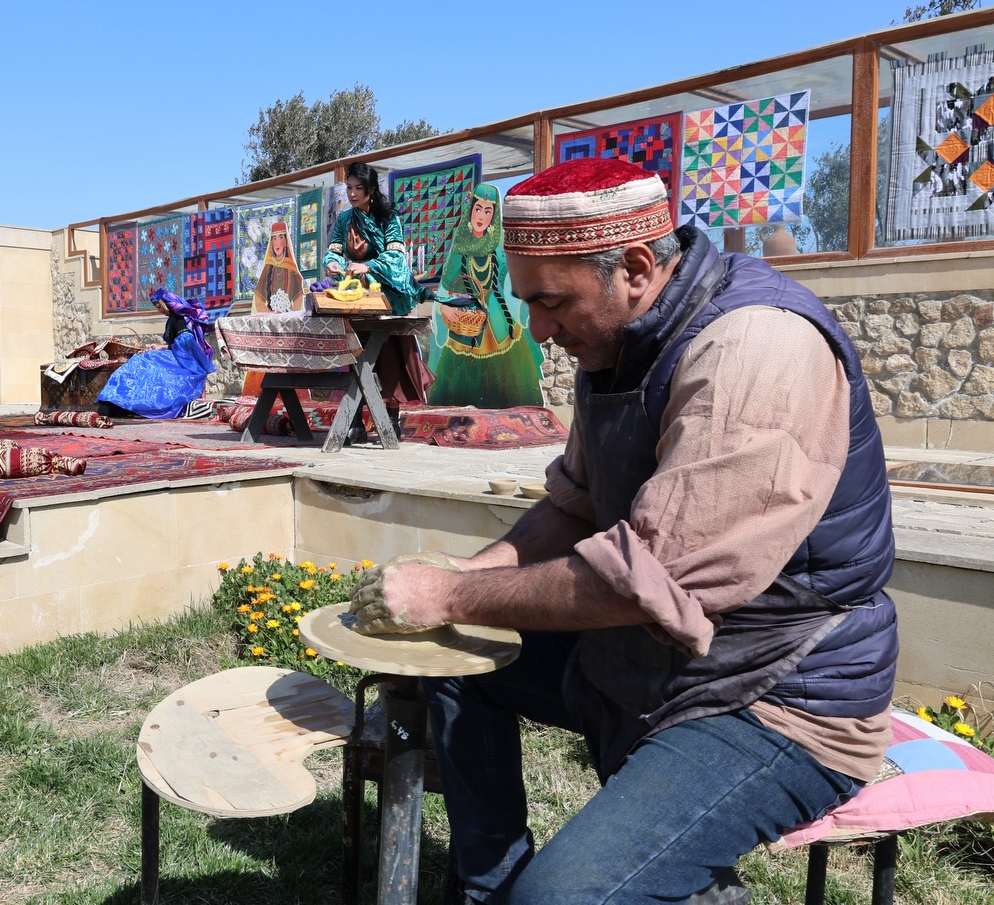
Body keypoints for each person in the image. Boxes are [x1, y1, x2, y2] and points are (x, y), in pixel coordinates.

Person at [348, 157, 898, 905]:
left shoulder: (755, 349)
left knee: (564, 899)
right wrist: (466, 575)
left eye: (550, 303)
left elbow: (650, 579)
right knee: (453, 658)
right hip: (652, 655)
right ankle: (488, 889)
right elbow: (575, 504)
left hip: (775, 690)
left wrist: (450, 596)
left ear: (635, 267)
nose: (538, 331)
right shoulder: (617, 334)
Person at [322, 161, 433, 404]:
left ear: (371, 190)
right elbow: (334, 251)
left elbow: (395, 256)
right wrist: (332, 264)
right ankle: (356, 420)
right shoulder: (344, 219)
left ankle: (391, 416)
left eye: (358, 188)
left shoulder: (389, 218)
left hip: (386, 293)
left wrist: (368, 266)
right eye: (349, 187)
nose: (352, 194)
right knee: (357, 355)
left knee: (390, 357)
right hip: (356, 294)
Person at [427, 183, 545, 408]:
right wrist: (445, 307)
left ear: (494, 214)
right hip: (466, 317)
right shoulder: (459, 248)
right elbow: (445, 288)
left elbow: (513, 280)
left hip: (497, 319)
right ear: (470, 209)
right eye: (478, 208)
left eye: (488, 211)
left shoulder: (499, 248)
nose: (481, 216)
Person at [96, 287, 217, 419]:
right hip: (174, 355)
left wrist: (163, 347)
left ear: (166, 304)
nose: (159, 311)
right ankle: (118, 402)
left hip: (183, 361)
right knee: (140, 361)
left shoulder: (179, 319)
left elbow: (186, 343)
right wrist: (160, 346)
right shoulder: (173, 319)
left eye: (160, 307)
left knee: (148, 363)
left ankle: (134, 405)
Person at [252, 220, 303, 314]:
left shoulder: (291, 268)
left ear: (286, 240)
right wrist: (271, 316)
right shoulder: (268, 268)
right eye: (274, 238)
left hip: (289, 321)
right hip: (270, 321)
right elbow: (258, 299)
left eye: (280, 237)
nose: (277, 243)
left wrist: (288, 317)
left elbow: (299, 298)